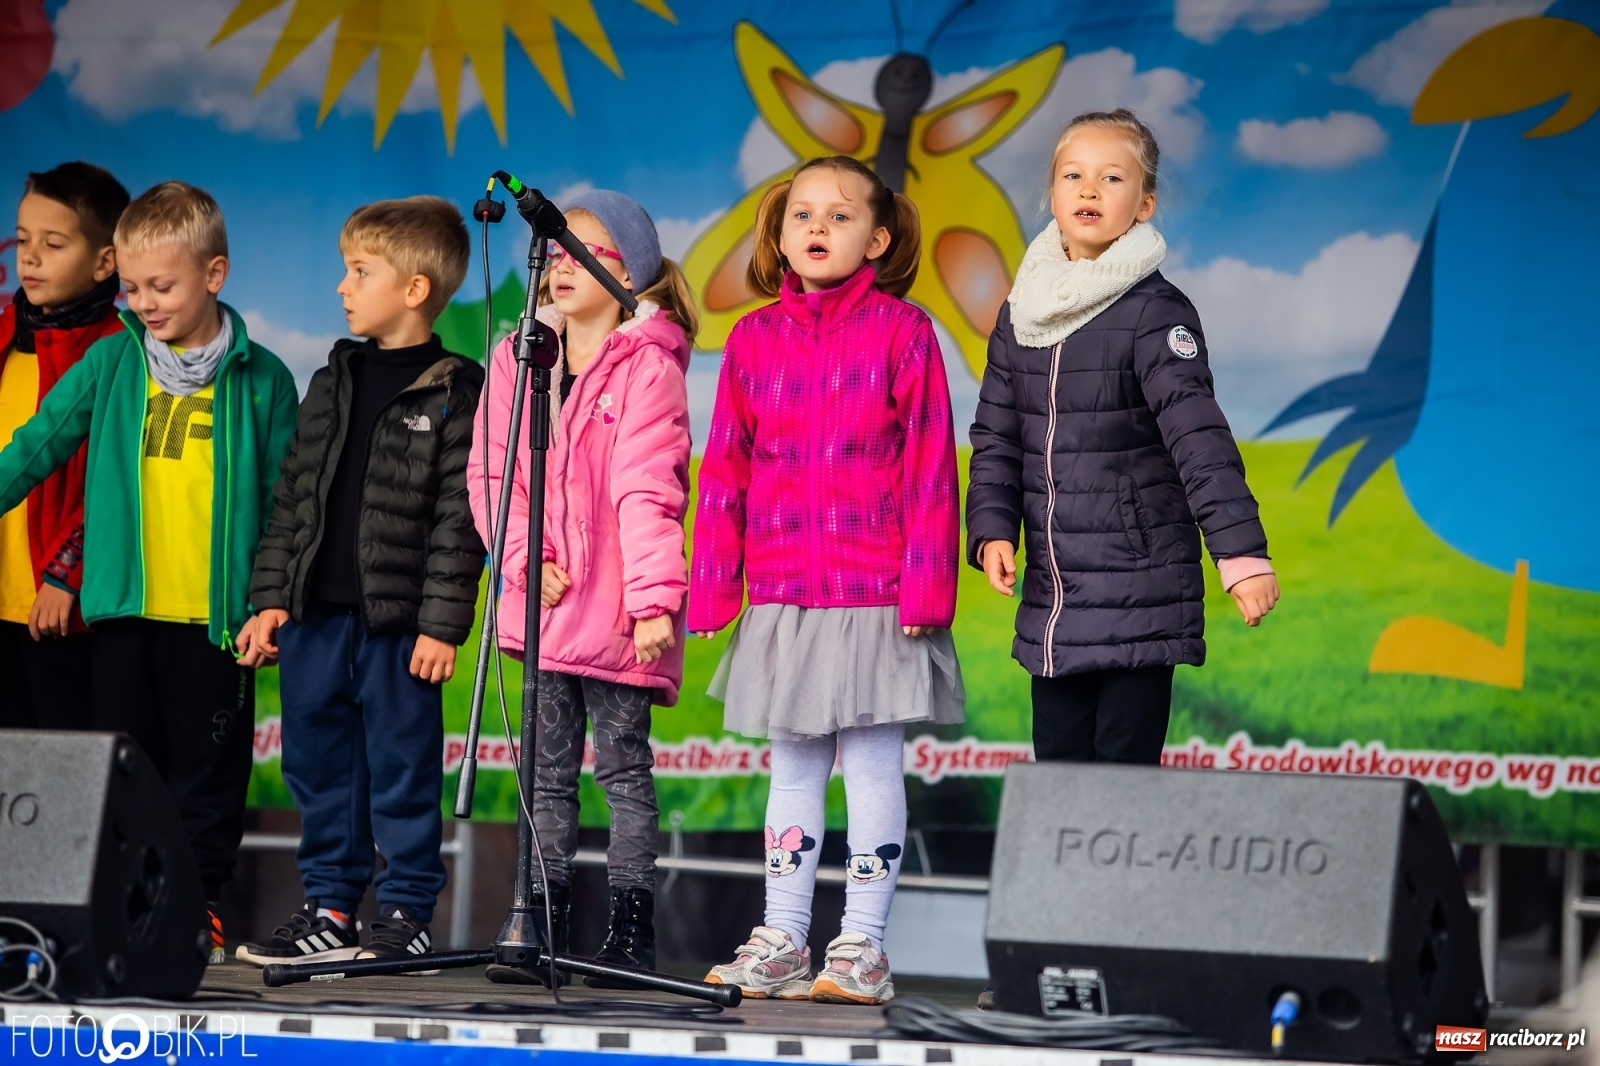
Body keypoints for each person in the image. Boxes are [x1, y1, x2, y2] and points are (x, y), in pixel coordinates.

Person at [0, 180, 300, 963]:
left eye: (160, 286)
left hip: (214, 624)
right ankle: (124, 910)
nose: (143, 303)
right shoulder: (111, 360)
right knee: (123, 775)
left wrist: (268, 603)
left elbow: (284, 504)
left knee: (207, 779)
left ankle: (196, 913)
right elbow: (36, 447)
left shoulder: (262, 376)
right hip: (122, 618)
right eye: (130, 288)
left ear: (215, 273)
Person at [690, 156, 964, 1006]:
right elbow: (725, 470)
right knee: (794, 767)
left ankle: (862, 948)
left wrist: (926, 589)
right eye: (801, 214)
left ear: (877, 239)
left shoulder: (904, 331)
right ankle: (782, 939)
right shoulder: (751, 339)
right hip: (783, 593)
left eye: (840, 217)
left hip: (877, 589)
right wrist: (713, 587)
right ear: (778, 236)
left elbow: (929, 467)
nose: (816, 228)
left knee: (874, 766)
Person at [967, 107, 1280, 768]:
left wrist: (1241, 556)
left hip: (1141, 591)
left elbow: (1200, 437)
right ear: (1050, 196)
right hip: (1056, 601)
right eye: (1073, 175)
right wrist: (992, 528)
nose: (1088, 189)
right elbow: (996, 435)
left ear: (1144, 205)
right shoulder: (1021, 313)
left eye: (1112, 178)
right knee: (1057, 781)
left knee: (1122, 786)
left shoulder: (1154, 311)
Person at [234, 196, 484, 968]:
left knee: (403, 769)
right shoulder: (332, 377)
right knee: (316, 764)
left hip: (398, 627)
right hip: (315, 620)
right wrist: (271, 597)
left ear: (414, 289)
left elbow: (460, 516)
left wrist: (442, 626)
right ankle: (330, 908)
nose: (343, 287)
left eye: (359, 271)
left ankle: (406, 909)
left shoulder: (456, 388)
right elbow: (294, 495)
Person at [468, 190, 696, 987]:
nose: (562, 264)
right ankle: (542, 921)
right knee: (545, 774)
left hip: (619, 613)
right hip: (544, 605)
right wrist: (525, 557)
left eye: (582, 251)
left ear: (627, 270)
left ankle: (630, 931)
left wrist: (653, 600)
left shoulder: (649, 368)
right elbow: (495, 473)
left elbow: (648, 489)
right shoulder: (517, 358)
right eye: (556, 252)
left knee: (625, 773)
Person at [0, 162, 129, 730]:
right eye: (23, 240)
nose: (29, 257)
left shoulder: (122, 352)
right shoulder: (4, 334)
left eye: (53, 244)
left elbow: (119, 482)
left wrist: (65, 575)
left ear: (106, 262)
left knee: (63, 778)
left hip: (58, 611)